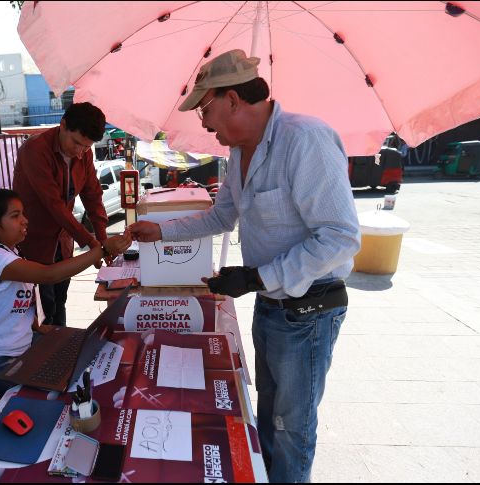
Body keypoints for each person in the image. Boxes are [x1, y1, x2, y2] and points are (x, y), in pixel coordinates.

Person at [128, 49, 361, 483]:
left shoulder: (304, 139)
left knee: (292, 427)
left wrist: (255, 277)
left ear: (233, 100)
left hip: (307, 311)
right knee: (267, 413)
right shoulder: (238, 152)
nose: (204, 124)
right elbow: (221, 216)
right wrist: (159, 231)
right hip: (270, 305)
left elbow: (340, 237)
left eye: (205, 109)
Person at [0, 189, 131, 398]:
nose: (25, 220)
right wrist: (101, 250)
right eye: (15, 216)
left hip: (23, 345)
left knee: (88, 354)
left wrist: (36, 326)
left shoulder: (10, 251)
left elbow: (10, 302)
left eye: (23, 214)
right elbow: (49, 275)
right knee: (62, 393)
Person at [13, 102, 110, 327]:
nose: (79, 151)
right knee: (43, 309)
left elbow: (93, 194)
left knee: (60, 301)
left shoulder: (84, 153)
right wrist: (92, 244)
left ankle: (62, 343)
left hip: (63, 240)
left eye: (86, 147)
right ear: (63, 125)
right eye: (76, 143)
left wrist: (103, 237)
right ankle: (48, 346)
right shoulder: (35, 149)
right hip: (34, 241)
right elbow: (53, 204)